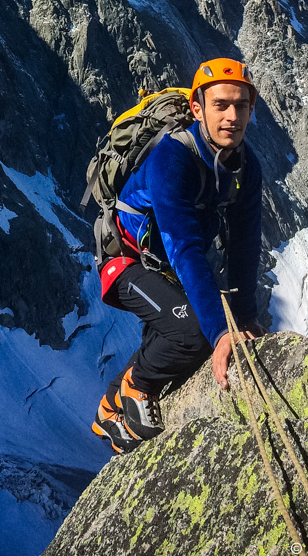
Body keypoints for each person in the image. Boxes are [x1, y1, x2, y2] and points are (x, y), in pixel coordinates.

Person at [91, 58, 263, 453]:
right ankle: (137, 386)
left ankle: (110, 407)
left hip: (164, 263)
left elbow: (245, 245)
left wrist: (247, 318)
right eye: (221, 105)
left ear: (252, 110)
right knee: (193, 334)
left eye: (241, 105)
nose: (232, 116)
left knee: (188, 329)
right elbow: (182, 245)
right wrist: (222, 333)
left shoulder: (245, 165)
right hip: (127, 261)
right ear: (198, 108)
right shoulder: (172, 157)